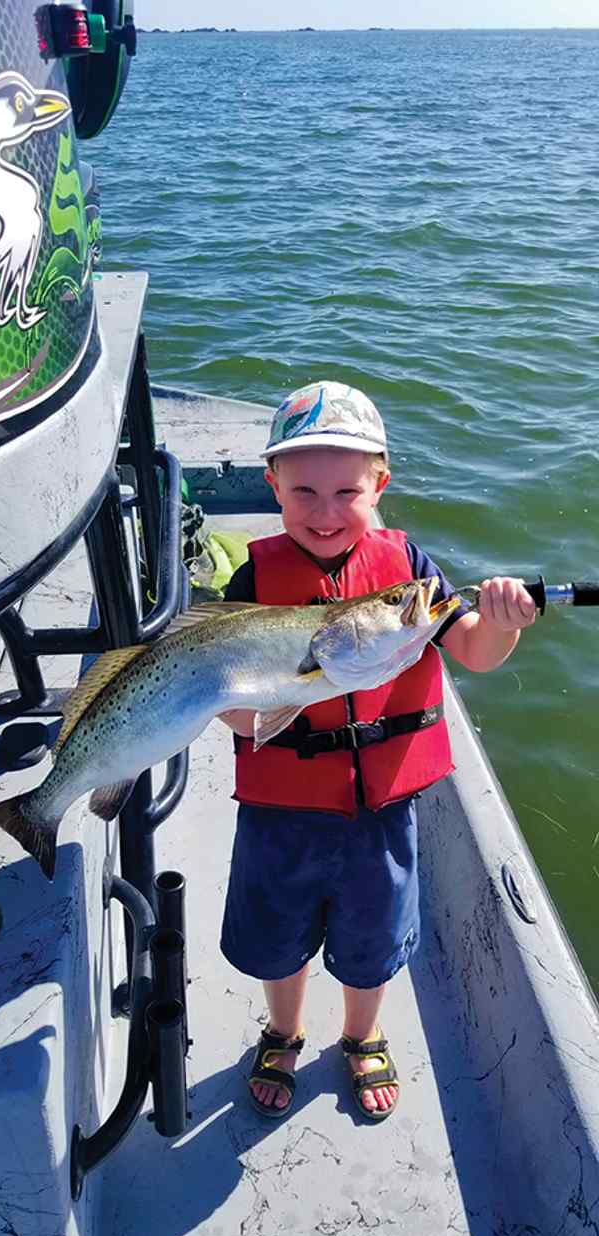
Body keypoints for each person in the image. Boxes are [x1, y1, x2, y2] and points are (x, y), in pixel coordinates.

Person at [218, 380, 536, 1123]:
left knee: (372, 938)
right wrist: (234, 707)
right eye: (303, 491)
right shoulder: (251, 580)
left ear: (380, 484)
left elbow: (475, 652)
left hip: (383, 810)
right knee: (279, 940)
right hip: (280, 812)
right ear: (272, 487)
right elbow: (235, 712)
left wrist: (502, 621)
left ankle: (361, 1034)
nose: (326, 513)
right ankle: (285, 1029)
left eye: (346, 491)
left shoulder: (411, 573)